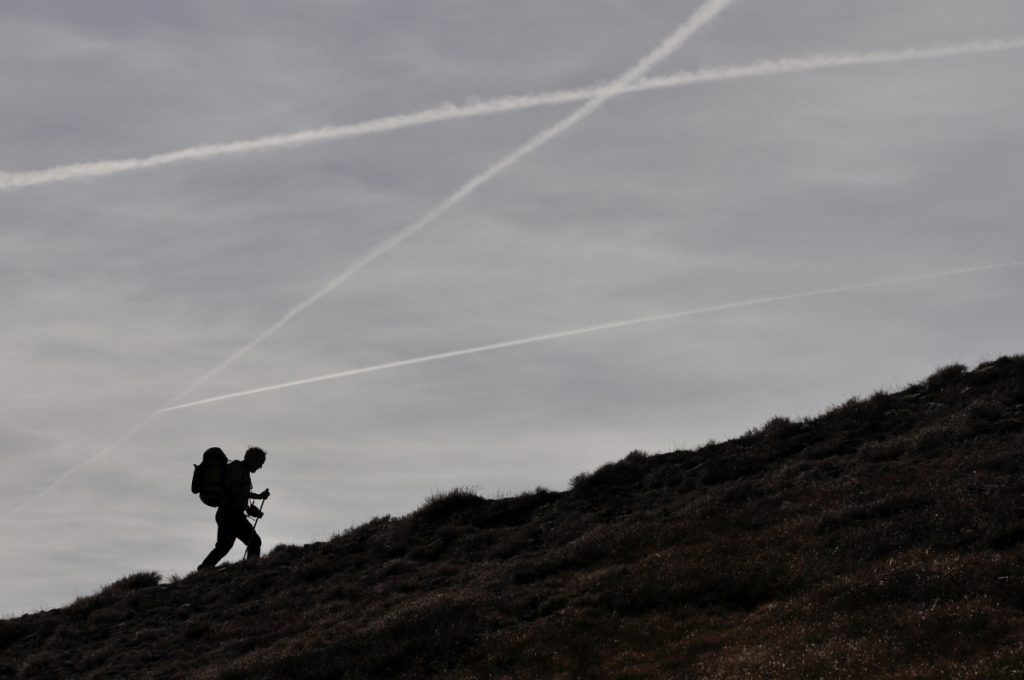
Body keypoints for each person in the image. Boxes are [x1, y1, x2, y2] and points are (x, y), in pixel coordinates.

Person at [198, 446, 270, 570]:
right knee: (254, 541)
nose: (260, 467)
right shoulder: (237, 467)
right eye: (260, 463)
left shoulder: (242, 470)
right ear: (253, 459)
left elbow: (237, 494)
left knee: (223, 546)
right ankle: (251, 569)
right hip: (230, 514)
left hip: (227, 513)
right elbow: (234, 491)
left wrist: (248, 508)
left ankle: (204, 569)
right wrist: (257, 497)